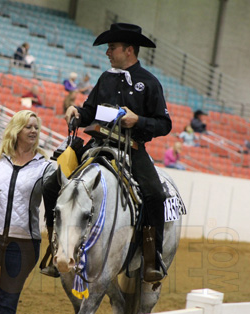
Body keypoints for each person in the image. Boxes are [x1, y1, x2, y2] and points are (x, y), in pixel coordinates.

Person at [64, 23, 172, 283]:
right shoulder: (105, 78)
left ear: (129, 50)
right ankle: (57, 246)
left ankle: (151, 255)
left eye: (112, 48)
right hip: (97, 145)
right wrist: (76, 113)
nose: (107, 53)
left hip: (132, 149)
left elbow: (164, 124)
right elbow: (89, 112)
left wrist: (139, 121)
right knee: (54, 181)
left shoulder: (149, 83)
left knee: (155, 195)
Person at [0, 110, 55, 314]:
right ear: (17, 130)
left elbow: (57, 199)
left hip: (24, 242)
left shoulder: (46, 167)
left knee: (7, 302)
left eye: (36, 127)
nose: (33, 131)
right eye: (28, 126)